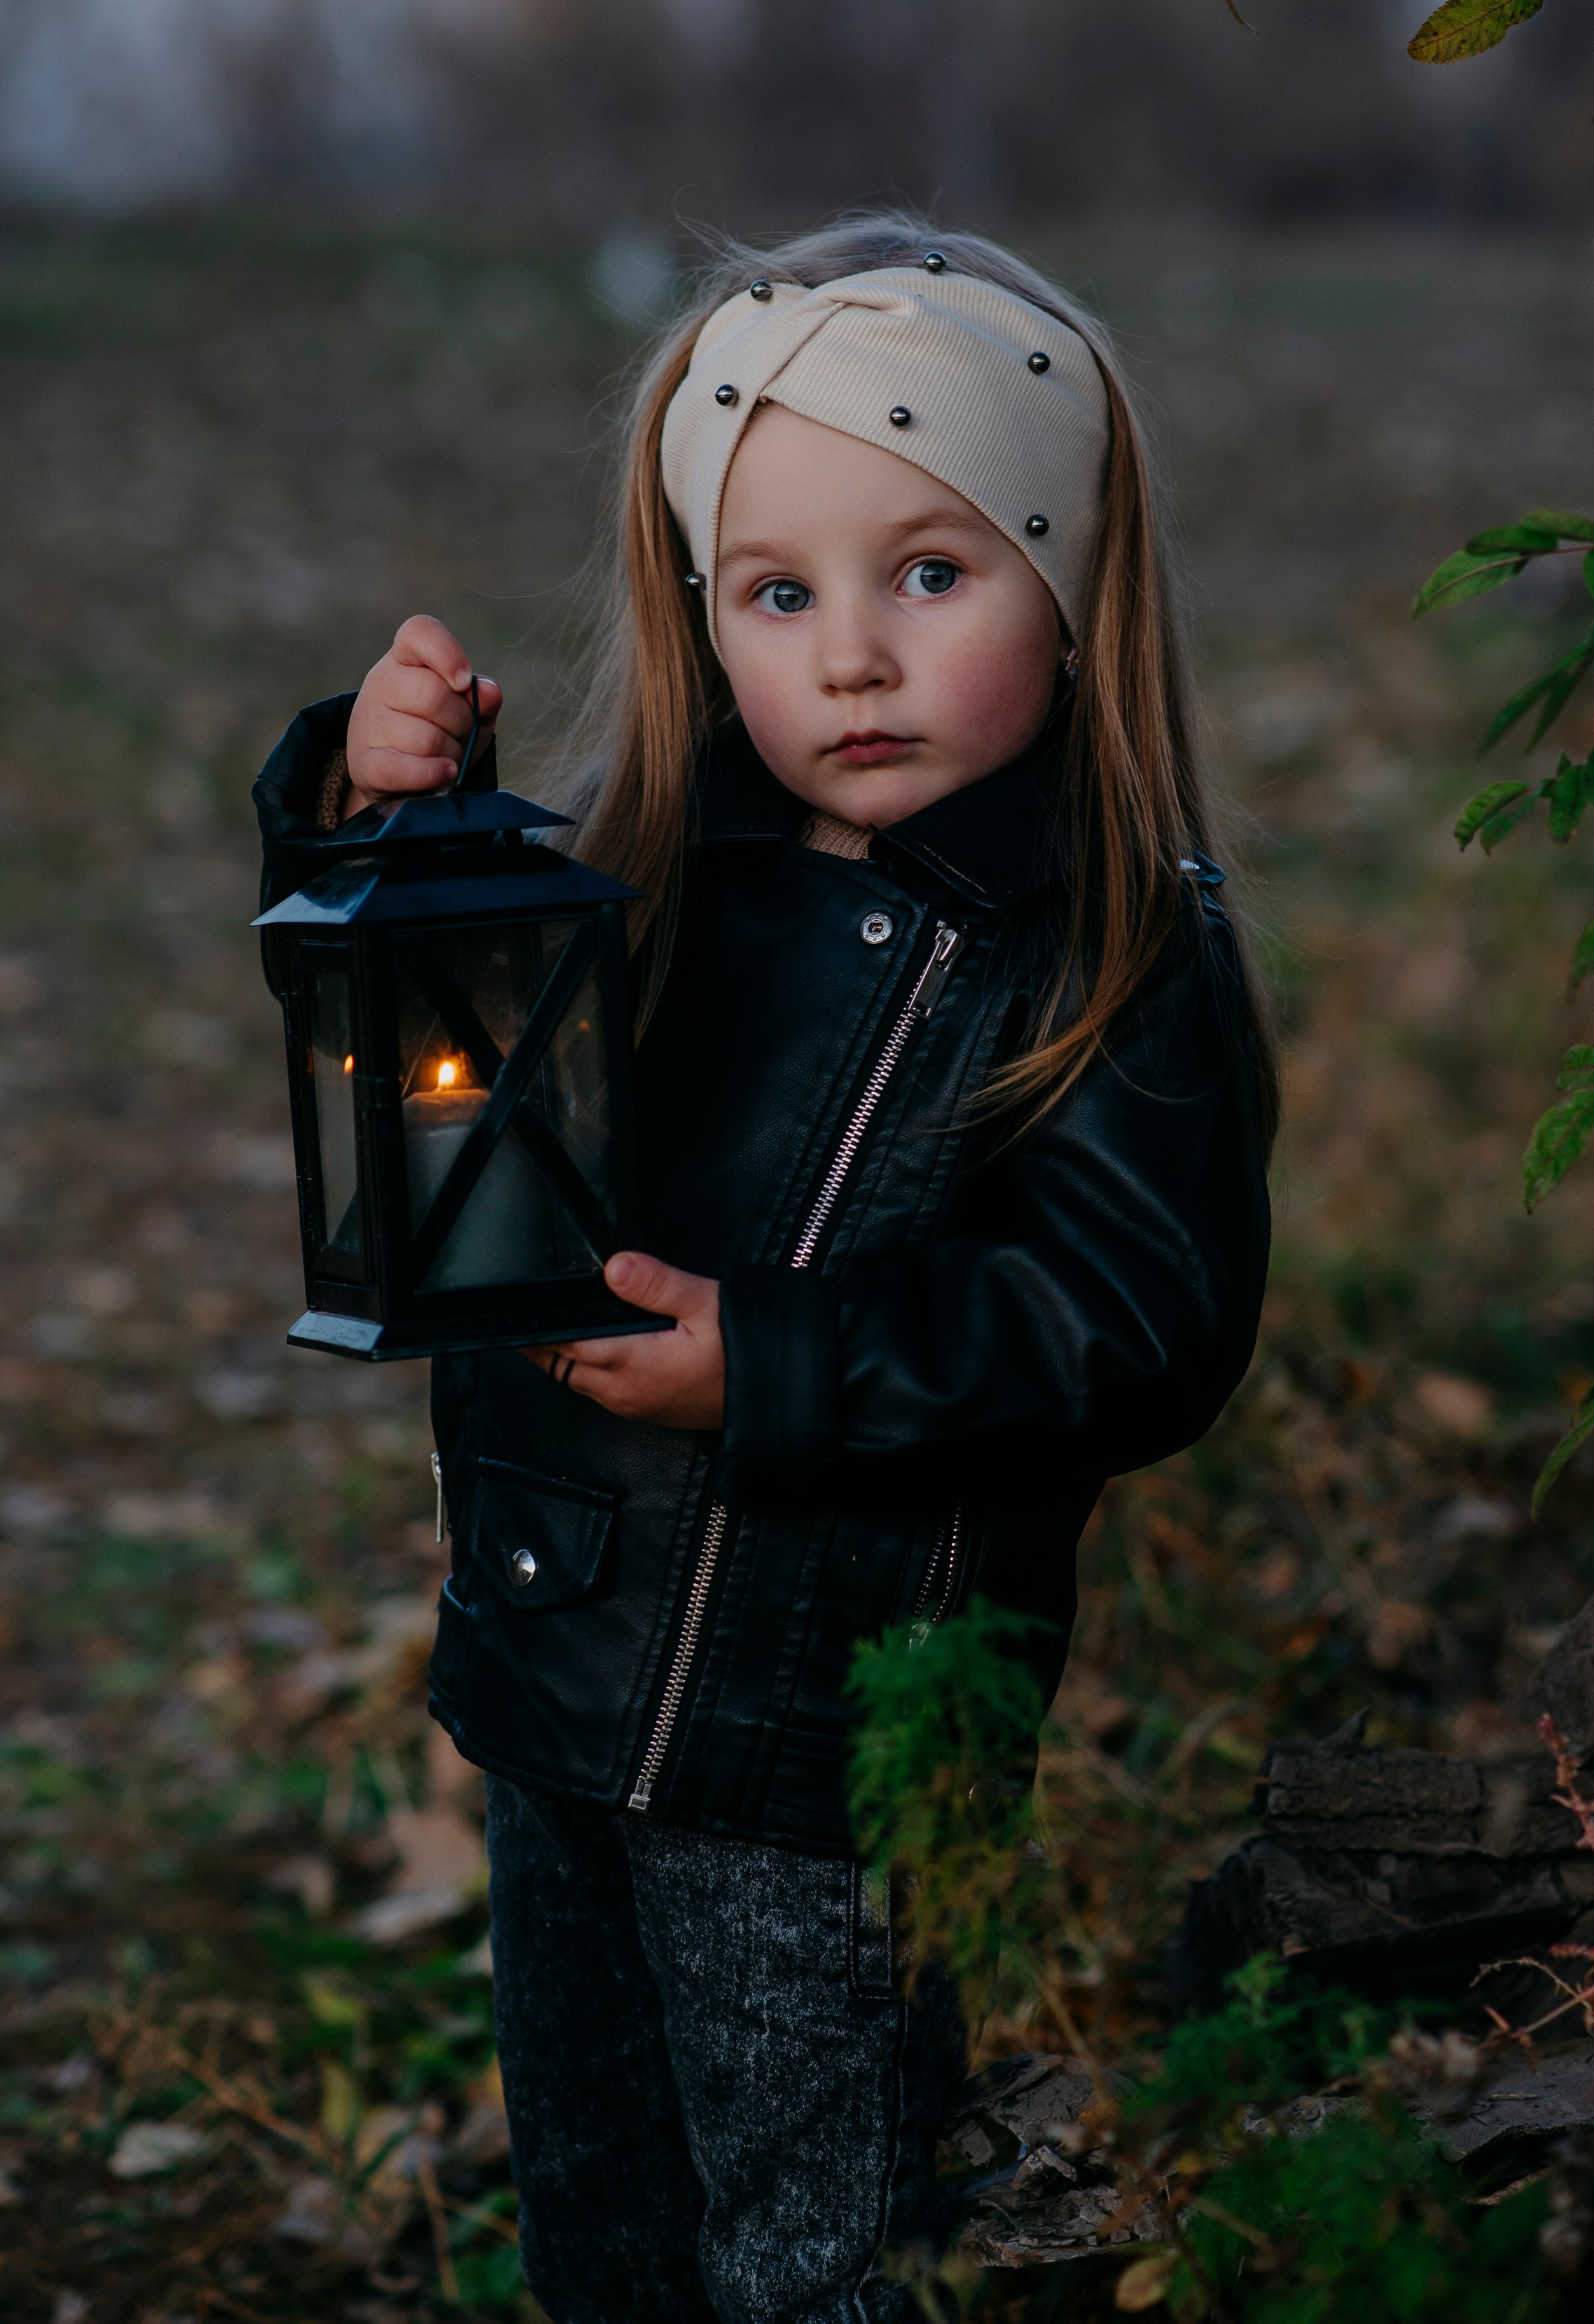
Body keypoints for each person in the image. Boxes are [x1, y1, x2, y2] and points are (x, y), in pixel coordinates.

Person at [254, 214, 1275, 2324]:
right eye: (781, 594)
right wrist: (369, 809)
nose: (855, 659)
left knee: (817, 2251)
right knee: (608, 2225)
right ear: (705, 617)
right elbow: (421, 1043)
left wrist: (782, 1365)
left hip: (823, 1752)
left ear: (1071, 583)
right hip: (558, 1677)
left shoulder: (1107, 950)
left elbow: (1138, 1325)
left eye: (932, 572)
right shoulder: (639, 881)